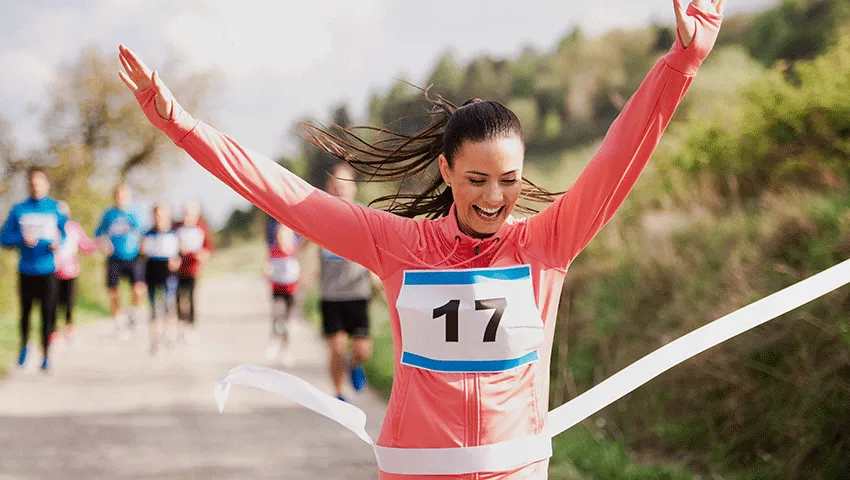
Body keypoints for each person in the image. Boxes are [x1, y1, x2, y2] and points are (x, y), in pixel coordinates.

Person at [118, 1, 723, 476]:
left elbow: (621, 152)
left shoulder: (547, 244)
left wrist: (682, 64)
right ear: (446, 172)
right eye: (477, 180)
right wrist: (182, 126)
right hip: (415, 471)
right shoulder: (398, 246)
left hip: (513, 471)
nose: (493, 198)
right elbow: (282, 194)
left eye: (509, 181)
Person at [0, 167, 68, 371]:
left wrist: (58, 242)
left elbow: (64, 233)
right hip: (26, 270)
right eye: (32, 183)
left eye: (39, 183)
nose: (36, 187)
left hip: (48, 270)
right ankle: (23, 347)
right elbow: (3, 238)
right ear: (29, 185)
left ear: (46, 185)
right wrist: (21, 239)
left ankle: (46, 355)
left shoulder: (55, 208)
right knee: (25, 313)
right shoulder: (19, 210)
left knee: (48, 313)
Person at [319, 163, 378, 401]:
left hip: (358, 292)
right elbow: (300, 241)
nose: (340, 189)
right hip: (331, 294)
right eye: (336, 184)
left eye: (345, 184)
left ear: (354, 188)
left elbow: (376, 249)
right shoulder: (320, 215)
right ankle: (339, 392)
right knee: (336, 348)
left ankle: (355, 365)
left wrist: (376, 273)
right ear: (329, 187)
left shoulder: (365, 216)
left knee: (362, 351)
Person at [95, 184, 145, 339]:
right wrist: (104, 244)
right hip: (114, 258)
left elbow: (144, 232)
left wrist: (143, 248)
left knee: (138, 289)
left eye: (123, 196)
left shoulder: (134, 213)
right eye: (118, 195)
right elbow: (99, 233)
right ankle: (119, 322)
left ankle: (133, 312)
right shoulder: (109, 214)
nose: (120, 199)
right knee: (113, 292)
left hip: (133, 257)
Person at [52, 201, 96, 343]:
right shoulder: (51, 228)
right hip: (52, 271)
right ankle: (52, 331)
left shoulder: (74, 228)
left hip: (71, 272)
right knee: (53, 302)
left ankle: (69, 328)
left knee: (69, 303)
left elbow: (85, 246)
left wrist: (98, 244)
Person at [141, 203, 181, 354]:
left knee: (168, 306)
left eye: (163, 215)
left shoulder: (174, 234)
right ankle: (155, 340)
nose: (160, 218)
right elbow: (142, 257)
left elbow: (180, 255)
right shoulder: (148, 235)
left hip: (169, 275)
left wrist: (177, 261)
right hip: (152, 273)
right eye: (157, 215)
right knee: (153, 309)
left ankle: (169, 335)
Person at [263, 222, 302, 367]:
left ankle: (285, 349)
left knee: (287, 322)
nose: (281, 239)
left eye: (285, 236)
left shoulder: (294, 252)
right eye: (279, 236)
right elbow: (267, 267)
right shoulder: (274, 251)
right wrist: (267, 272)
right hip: (277, 289)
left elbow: (299, 271)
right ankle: (273, 341)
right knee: (277, 316)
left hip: (291, 291)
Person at [174, 200, 214, 340]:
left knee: (190, 297)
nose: (188, 217)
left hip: (193, 268)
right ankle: (180, 321)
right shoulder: (176, 227)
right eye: (185, 213)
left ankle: (191, 324)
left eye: (191, 214)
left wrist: (202, 255)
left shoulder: (201, 227)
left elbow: (208, 248)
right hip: (178, 269)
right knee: (178, 297)